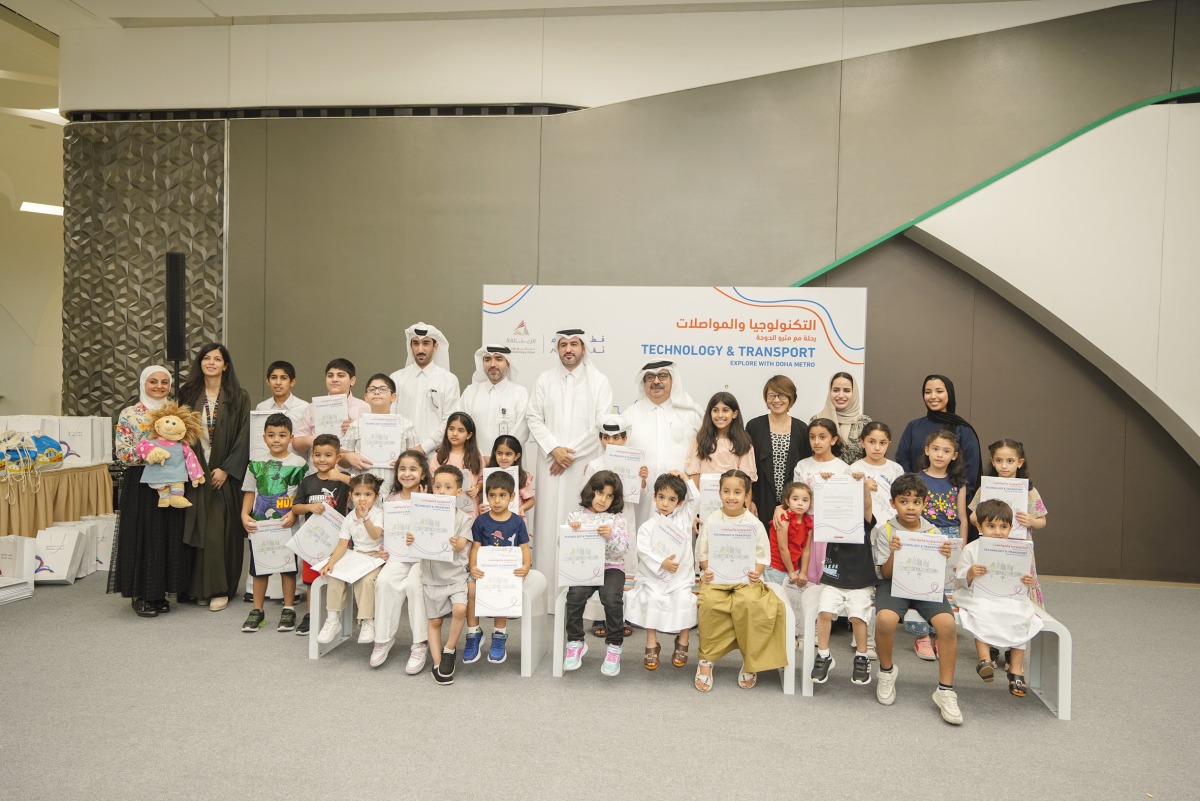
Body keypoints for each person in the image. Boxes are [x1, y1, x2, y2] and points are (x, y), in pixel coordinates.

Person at [526, 328, 613, 606]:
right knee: (547, 528)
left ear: (583, 348)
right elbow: (533, 417)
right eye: (563, 344)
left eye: (574, 344)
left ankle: (579, 603)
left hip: (582, 466)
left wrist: (569, 455)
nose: (568, 349)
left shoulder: (599, 381)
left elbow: (601, 424)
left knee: (581, 525)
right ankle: (545, 600)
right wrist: (554, 449)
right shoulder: (545, 379)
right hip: (550, 463)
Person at [871, 473, 963, 725]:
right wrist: (894, 553)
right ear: (893, 503)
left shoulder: (933, 532)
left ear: (924, 504)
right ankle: (886, 671)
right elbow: (885, 574)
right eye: (904, 501)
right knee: (885, 619)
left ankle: (945, 690)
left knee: (947, 624)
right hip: (893, 584)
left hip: (925, 586)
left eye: (916, 502)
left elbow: (943, 573)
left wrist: (945, 555)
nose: (910, 507)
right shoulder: (885, 531)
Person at [109, 365, 194, 617]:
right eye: (153, 382)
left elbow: (186, 444)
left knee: (167, 535)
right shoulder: (130, 413)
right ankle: (142, 594)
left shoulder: (175, 411)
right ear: (143, 384)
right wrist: (149, 454)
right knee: (143, 536)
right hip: (142, 482)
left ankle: (160, 593)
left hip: (172, 481)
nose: (159, 386)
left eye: (164, 382)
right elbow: (122, 451)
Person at [694, 469, 787, 692]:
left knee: (751, 604)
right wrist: (707, 569)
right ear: (719, 493)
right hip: (717, 580)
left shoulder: (753, 523)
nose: (731, 497)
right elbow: (702, 553)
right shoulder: (712, 520)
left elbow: (762, 556)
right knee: (709, 603)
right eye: (726, 491)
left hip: (746, 580)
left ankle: (750, 660)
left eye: (737, 492)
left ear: (747, 495)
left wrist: (756, 572)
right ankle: (706, 660)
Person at [178, 343, 251, 612]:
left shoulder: (238, 396)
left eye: (217, 359)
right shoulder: (187, 394)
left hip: (224, 475)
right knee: (196, 529)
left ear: (225, 365)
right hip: (194, 473)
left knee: (219, 532)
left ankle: (220, 589)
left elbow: (245, 436)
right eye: (206, 358)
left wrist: (227, 469)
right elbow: (178, 433)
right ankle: (198, 588)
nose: (211, 362)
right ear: (200, 363)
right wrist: (193, 468)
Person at [955, 499, 1043, 698]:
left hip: (1008, 596)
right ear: (979, 527)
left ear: (1011, 528)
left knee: (1021, 614)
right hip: (978, 595)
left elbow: (1022, 578)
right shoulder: (971, 549)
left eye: (1003, 527)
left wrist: (1026, 580)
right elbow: (960, 578)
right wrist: (970, 572)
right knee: (981, 612)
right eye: (991, 526)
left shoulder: (1017, 550)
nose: (997, 532)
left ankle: (1016, 668)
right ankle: (984, 659)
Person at [239, 413, 307, 633]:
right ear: (264, 437)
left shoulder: (299, 464)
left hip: (286, 525)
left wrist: (294, 514)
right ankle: (257, 610)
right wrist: (244, 514)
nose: (276, 439)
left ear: (290, 437)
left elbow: (300, 496)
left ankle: (289, 608)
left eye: (282, 435)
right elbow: (250, 491)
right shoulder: (255, 463)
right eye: (271, 435)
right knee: (259, 568)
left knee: (288, 568)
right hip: (260, 527)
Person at [905, 429, 969, 660]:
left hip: (949, 537)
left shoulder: (958, 483)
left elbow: (962, 517)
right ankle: (922, 635)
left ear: (954, 455)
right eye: (935, 449)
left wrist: (962, 548)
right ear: (927, 450)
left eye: (946, 451)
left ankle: (941, 634)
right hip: (923, 536)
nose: (940, 454)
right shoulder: (917, 479)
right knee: (921, 585)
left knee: (945, 589)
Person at [624, 471, 699, 670]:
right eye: (661, 497)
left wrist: (685, 478)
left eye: (672, 499)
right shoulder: (647, 527)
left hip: (680, 579)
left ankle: (683, 639)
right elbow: (643, 551)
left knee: (684, 600)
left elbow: (696, 499)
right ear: (654, 497)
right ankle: (651, 642)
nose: (665, 503)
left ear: (680, 503)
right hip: (653, 578)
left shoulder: (684, 519)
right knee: (651, 598)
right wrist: (661, 563)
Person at [561, 470, 631, 677]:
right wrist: (571, 531)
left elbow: (622, 549)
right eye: (600, 493)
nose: (603, 499)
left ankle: (614, 646)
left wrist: (610, 536)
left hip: (611, 568)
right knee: (575, 596)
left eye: (609, 496)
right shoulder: (575, 516)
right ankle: (575, 641)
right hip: (584, 568)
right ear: (591, 491)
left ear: (615, 499)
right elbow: (563, 545)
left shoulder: (617, 519)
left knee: (611, 598)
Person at [810, 477, 876, 687]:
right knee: (824, 612)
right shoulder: (830, 524)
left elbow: (867, 505)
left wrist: (863, 484)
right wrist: (826, 481)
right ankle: (824, 655)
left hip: (860, 582)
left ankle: (862, 657)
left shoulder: (863, 523)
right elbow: (823, 501)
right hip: (834, 580)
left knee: (857, 616)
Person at [369, 449, 431, 672]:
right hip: (398, 556)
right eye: (402, 469)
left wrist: (423, 505)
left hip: (423, 559)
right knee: (384, 581)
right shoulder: (391, 500)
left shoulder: (431, 498)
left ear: (423, 473)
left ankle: (420, 643)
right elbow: (386, 532)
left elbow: (438, 532)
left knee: (415, 585)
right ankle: (383, 638)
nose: (407, 473)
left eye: (413, 469)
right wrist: (383, 548)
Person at [968, 438, 1050, 607]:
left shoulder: (1029, 491)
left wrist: (1031, 521)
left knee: (1019, 578)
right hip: (992, 544)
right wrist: (981, 516)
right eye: (999, 461)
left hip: (1019, 545)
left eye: (1010, 461)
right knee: (994, 576)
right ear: (993, 462)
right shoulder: (986, 488)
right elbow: (972, 517)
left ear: (1020, 463)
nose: (1004, 466)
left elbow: (1042, 521)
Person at [624, 360, 703, 531]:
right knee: (643, 539)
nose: (656, 381)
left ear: (673, 380)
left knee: (679, 542)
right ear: (643, 382)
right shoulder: (629, 416)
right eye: (650, 377)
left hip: (681, 499)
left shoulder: (690, 413)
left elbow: (704, 457)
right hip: (642, 499)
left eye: (662, 376)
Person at [415, 465, 474, 686]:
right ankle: (438, 662)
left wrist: (455, 542)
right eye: (437, 486)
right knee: (435, 620)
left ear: (458, 492)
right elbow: (414, 541)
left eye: (448, 487)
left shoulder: (464, 518)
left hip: (456, 576)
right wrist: (412, 539)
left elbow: (461, 545)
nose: (441, 491)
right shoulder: (422, 515)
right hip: (432, 578)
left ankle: (449, 650)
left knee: (459, 609)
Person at [466, 471, 532, 665]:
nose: (496, 500)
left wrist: (526, 566)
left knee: (502, 591)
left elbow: (524, 548)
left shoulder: (517, 522)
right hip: (484, 570)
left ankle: (499, 635)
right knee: (471, 590)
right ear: (486, 496)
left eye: (502, 495)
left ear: (512, 497)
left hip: (506, 572)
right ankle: (473, 633)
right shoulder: (481, 521)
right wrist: (473, 566)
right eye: (492, 495)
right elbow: (475, 547)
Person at [289, 433, 351, 636]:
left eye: (328, 455)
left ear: (337, 457)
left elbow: (363, 486)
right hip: (313, 541)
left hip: (338, 541)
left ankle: (337, 617)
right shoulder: (307, 482)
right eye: (317, 455)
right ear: (312, 456)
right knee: (311, 580)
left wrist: (341, 477)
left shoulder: (343, 480)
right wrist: (309, 507)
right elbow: (296, 507)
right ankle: (311, 614)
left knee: (337, 578)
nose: (322, 459)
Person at [316, 474, 386, 645]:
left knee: (366, 580)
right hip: (356, 556)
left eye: (368, 494)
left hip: (375, 557)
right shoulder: (349, 518)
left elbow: (375, 534)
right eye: (357, 494)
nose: (362, 499)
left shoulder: (378, 514)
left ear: (375, 496)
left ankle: (367, 620)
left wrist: (365, 518)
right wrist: (331, 562)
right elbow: (342, 544)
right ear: (351, 496)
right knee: (335, 574)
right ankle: (333, 619)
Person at [896, 374, 982, 505]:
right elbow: (903, 461)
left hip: (951, 504)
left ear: (949, 394)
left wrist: (957, 500)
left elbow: (971, 470)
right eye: (927, 392)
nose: (933, 396)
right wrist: (914, 492)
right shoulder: (913, 427)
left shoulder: (963, 429)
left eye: (939, 391)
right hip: (916, 500)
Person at [746, 375, 811, 535]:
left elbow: (806, 466)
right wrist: (750, 500)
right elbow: (747, 467)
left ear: (791, 398)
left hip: (793, 503)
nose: (776, 400)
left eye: (782, 395)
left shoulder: (802, 429)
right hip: (760, 500)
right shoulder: (754, 426)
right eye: (771, 395)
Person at [390, 322, 462, 454]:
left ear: (435, 346)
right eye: (416, 343)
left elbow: (450, 420)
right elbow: (390, 416)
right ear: (410, 346)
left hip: (435, 454)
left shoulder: (449, 380)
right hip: (401, 452)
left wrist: (424, 447)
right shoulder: (396, 378)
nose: (420, 350)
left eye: (426, 343)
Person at [340, 373, 419, 492]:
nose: (377, 392)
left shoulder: (406, 425)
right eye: (372, 389)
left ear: (393, 397)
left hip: (398, 491)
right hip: (363, 493)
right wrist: (348, 457)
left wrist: (405, 461)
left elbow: (419, 457)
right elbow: (341, 459)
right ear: (366, 397)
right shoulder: (356, 425)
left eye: (383, 389)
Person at [764, 481, 818, 644]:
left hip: (793, 568)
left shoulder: (808, 523)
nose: (800, 503)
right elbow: (783, 548)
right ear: (787, 501)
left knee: (793, 604)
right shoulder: (783, 519)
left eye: (805, 500)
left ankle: (790, 635)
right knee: (776, 603)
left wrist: (803, 572)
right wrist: (792, 571)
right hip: (777, 568)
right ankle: (775, 638)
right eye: (796, 499)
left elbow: (806, 550)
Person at [291, 358, 371, 462]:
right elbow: (296, 445)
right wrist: (311, 440)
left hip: (350, 469)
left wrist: (355, 430)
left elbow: (372, 444)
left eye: (340, 375)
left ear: (352, 380)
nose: (334, 379)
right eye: (330, 376)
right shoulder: (312, 407)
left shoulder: (364, 407)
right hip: (318, 468)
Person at [459, 344, 529, 452]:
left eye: (498, 359)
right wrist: (478, 456)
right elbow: (461, 427)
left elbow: (521, 431)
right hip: (475, 458)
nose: (492, 364)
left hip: (508, 459)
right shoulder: (470, 392)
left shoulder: (520, 393)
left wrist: (498, 456)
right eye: (487, 360)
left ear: (508, 363)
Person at [428, 412, 484, 519]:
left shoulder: (476, 456)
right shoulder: (439, 456)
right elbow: (432, 482)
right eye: (451, 429)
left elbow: (482, 480)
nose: (454, 433)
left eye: (460, 430)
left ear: (469, 435)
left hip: (469, 510)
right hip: (443, 508)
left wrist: (477, 488)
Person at [810, 372, 872, 465]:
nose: (841, 395)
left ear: (854, 392)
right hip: (821, 473)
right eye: (836, 390)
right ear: (830, 392)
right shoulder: (817, 420)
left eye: (846, 391)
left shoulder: (864, 422)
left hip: (856, 474)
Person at [850, 422, 904, 526]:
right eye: (872, 442)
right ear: (862, 442)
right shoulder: (853, 469)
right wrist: (862, 487)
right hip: (863, 525)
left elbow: (902, 498)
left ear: (889, 443)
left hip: (892, 525)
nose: (877, 448)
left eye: (882, 443)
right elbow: (847, 500)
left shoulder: (896, 469)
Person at [481, 434, 534, 518]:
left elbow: (531, 500)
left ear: (516, 456)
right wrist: (481, 507)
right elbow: (486, 497)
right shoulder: (488, 474)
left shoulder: (521, 477)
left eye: (508, 454)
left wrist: (522, 508)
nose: (503, 457)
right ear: (495, 453)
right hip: (492, 521)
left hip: (514, 520)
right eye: (499, 453)